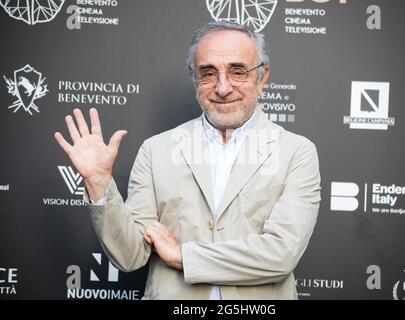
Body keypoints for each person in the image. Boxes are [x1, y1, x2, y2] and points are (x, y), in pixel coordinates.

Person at [54, 21, 321, 300]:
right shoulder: (156, 150)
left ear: (262, 78)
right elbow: (129, 256)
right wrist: (99, 185)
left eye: (237, 71)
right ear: (193, 77)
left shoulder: (296, 152)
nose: (222, 87)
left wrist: (182, 256)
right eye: (208, 73)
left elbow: (281, 255)